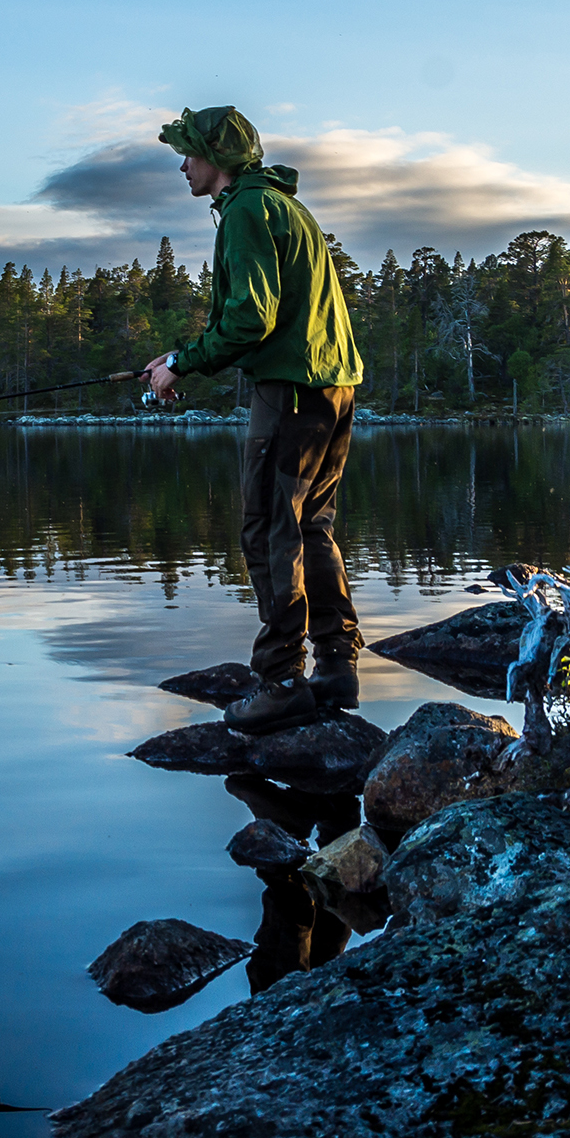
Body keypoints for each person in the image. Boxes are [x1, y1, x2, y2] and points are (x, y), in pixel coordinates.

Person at [142, 106, 365, 736]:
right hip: (334, 386)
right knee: (312, 527)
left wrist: (186, 366)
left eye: (188, 153)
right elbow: (264, 310)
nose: (183, 165)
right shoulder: (284, 207)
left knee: (270, 529)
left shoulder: (244, 210)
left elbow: (252, 318)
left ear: (217, 158)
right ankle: (337, 667)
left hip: (290, 392)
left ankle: (281, 681)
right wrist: (180, 357)